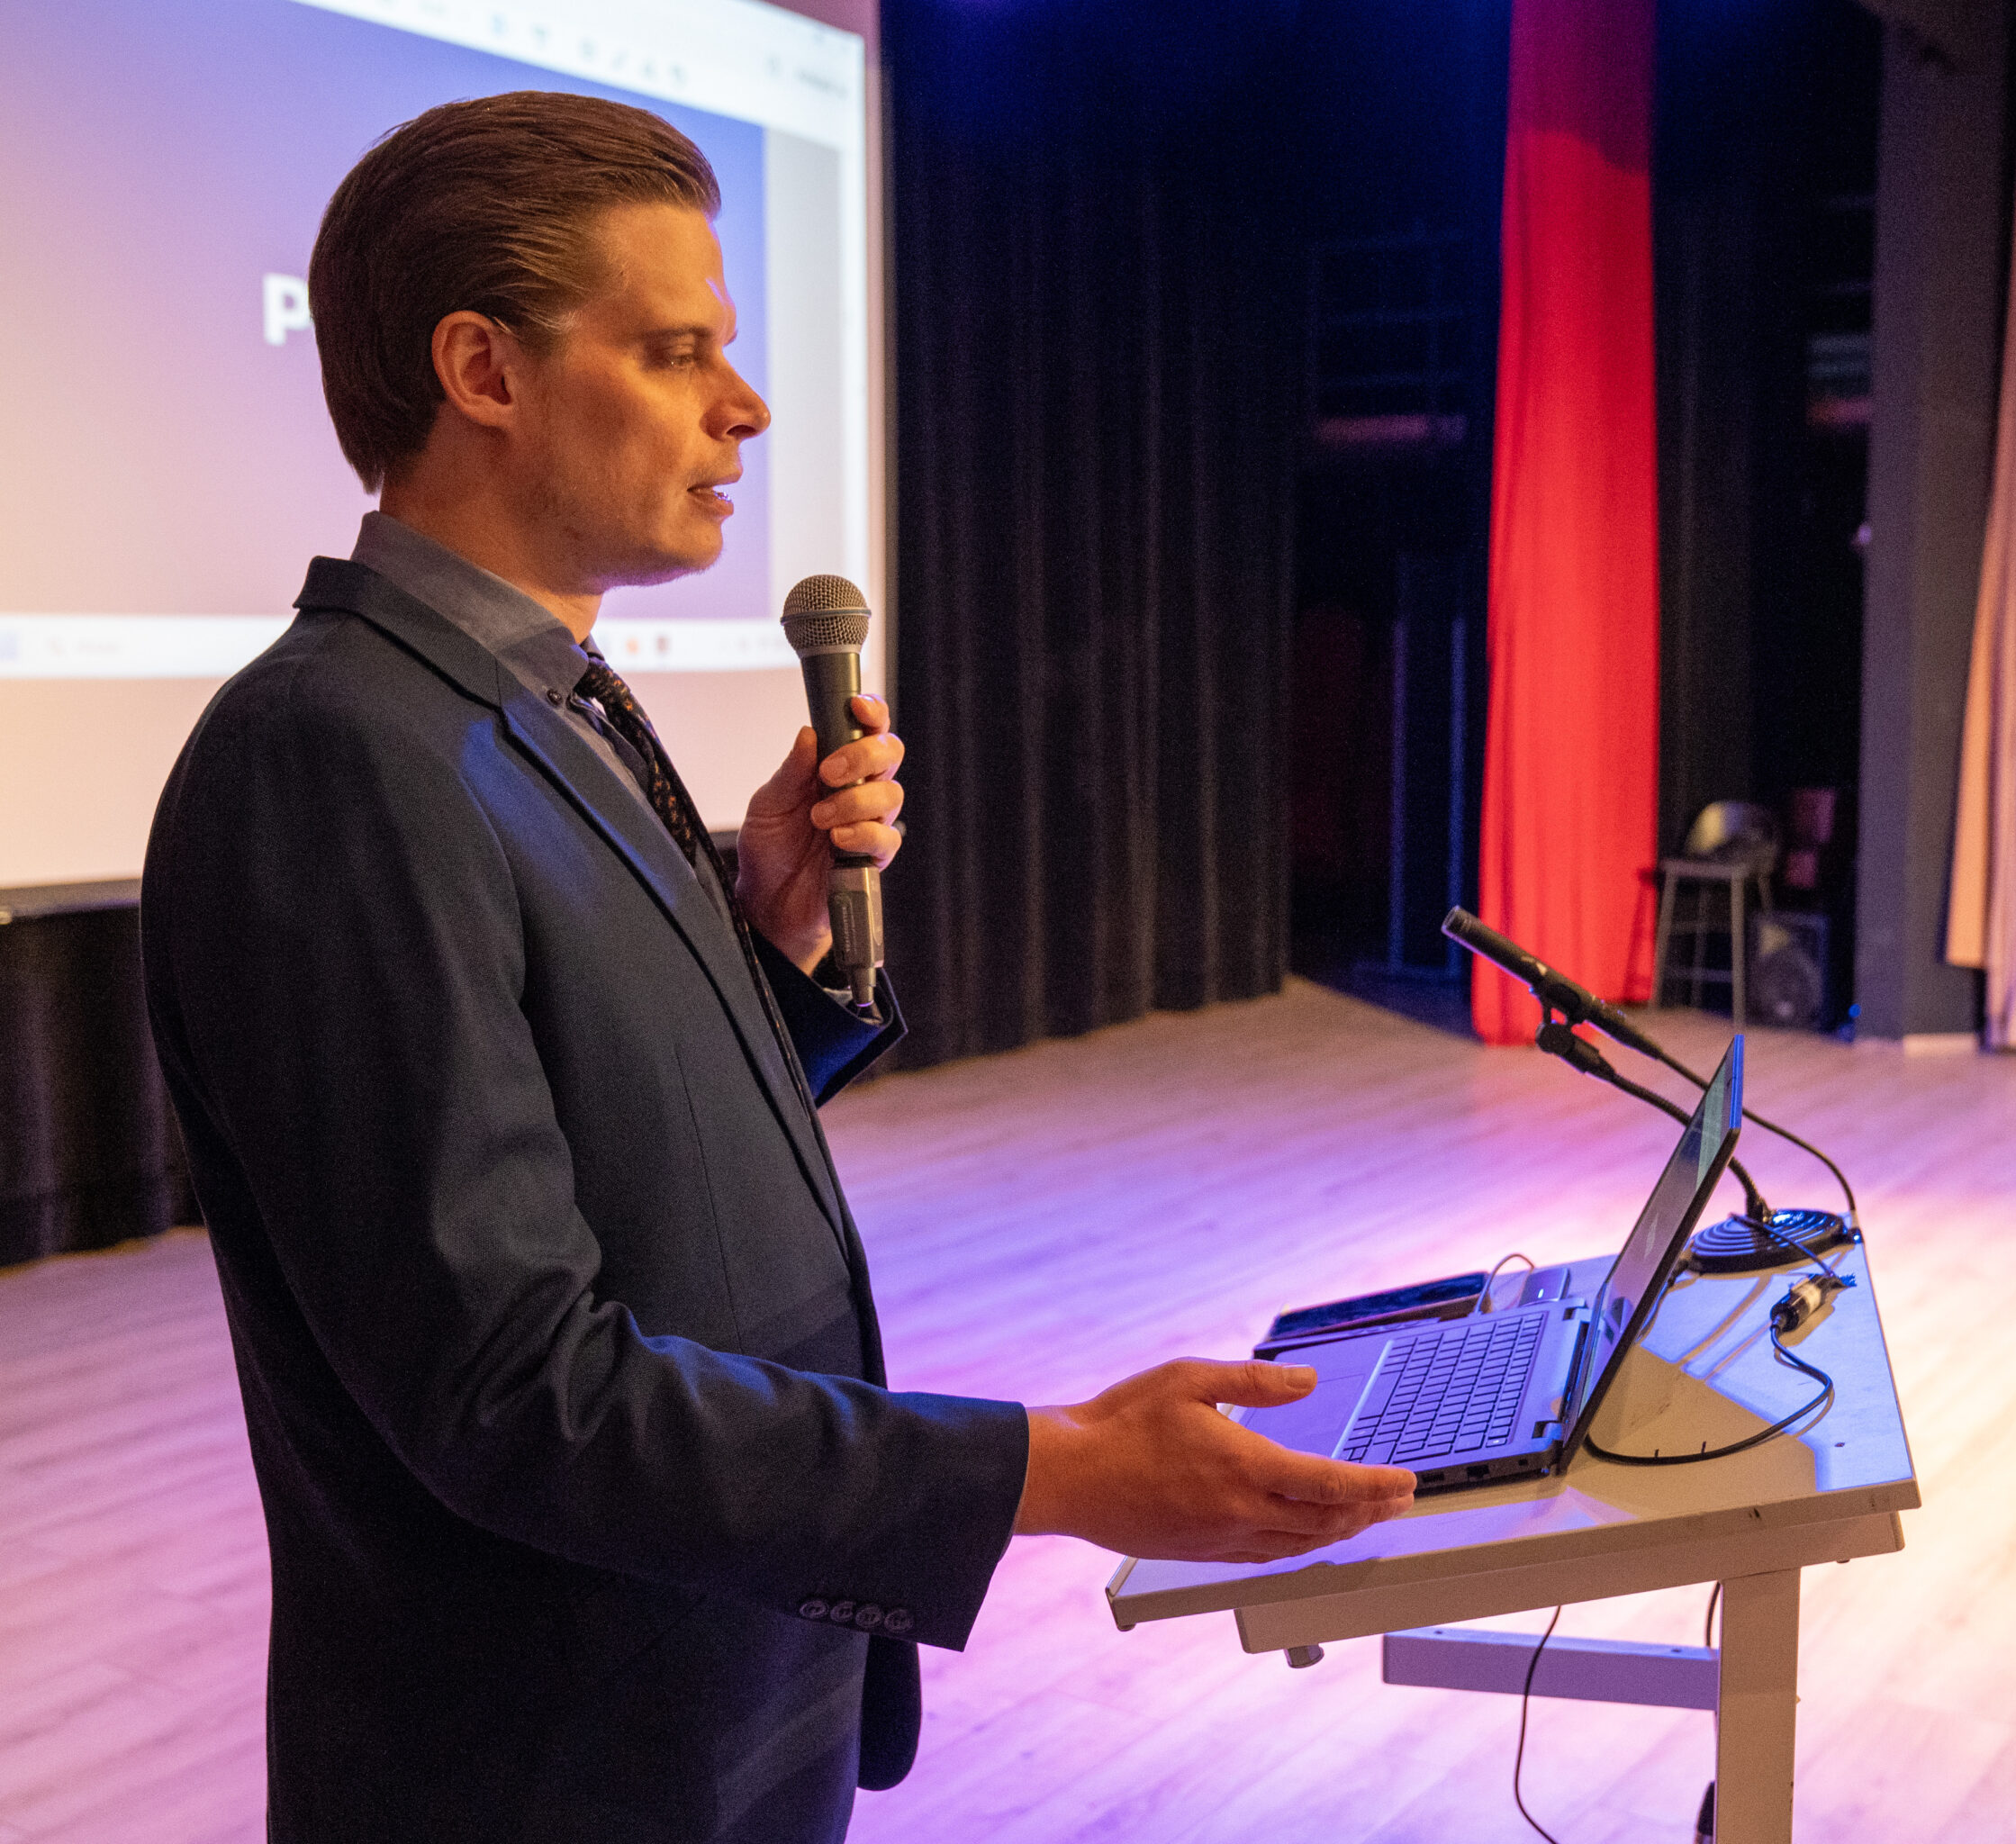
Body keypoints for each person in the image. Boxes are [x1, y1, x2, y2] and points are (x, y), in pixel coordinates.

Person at [140, 92, 1415, 1844]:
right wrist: (1057, 1467)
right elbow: (512, 1394)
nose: (742, 406)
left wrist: (770, 944)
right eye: (676, 353)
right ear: (483, 370)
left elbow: (612, 1141)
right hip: (551, 1766)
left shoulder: (538, 711)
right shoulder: (335, 755)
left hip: (715, 1685)